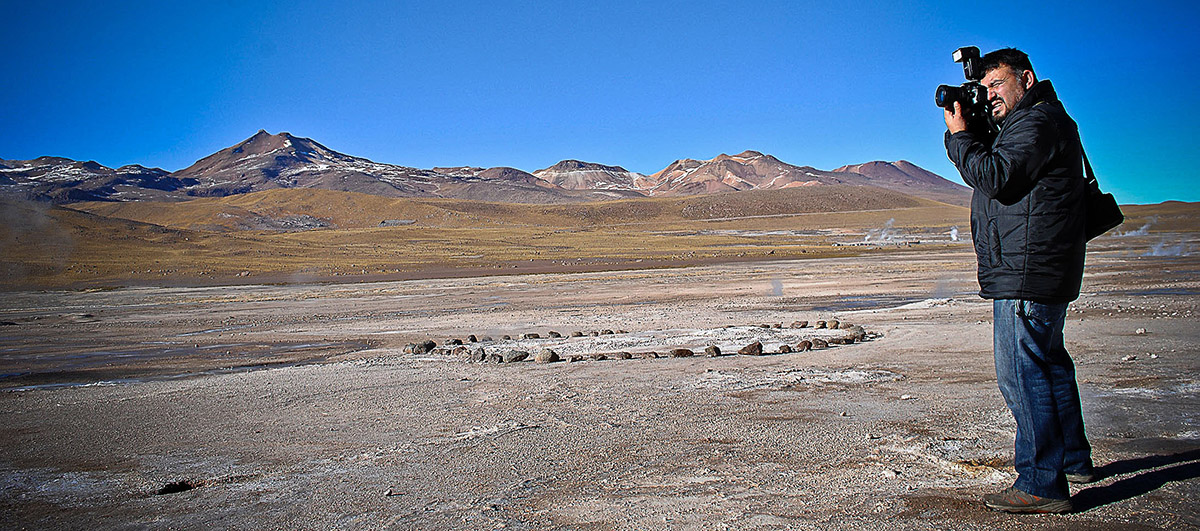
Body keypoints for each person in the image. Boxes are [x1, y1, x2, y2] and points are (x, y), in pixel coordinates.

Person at [943, 48, 1096, 514]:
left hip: (1026, 271)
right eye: (984, 89)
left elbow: (996, 177)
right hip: (1035, 267)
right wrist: (976, 127)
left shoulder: (1035, 123)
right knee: (1047, 365)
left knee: (1022, 375)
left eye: (998, 86)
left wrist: (959, 138)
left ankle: (1040, 483)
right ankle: (1071, 459)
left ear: (1026, 79)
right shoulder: (1036, 122)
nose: (990, 96)